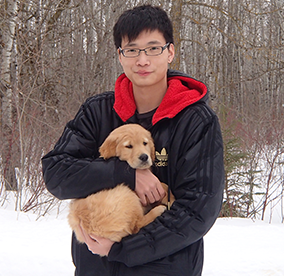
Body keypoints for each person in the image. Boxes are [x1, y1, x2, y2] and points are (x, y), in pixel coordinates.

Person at [42, 4, 224, 276]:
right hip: (95, 266)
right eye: (132, 50)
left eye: (153, 48)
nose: (142, 60)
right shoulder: (98, 111)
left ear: (170, 51)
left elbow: (199, 210)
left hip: (165, 269)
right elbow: (57, 174)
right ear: (120, 55)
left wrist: (123, 249)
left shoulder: (196, 120)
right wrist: (126, 175)